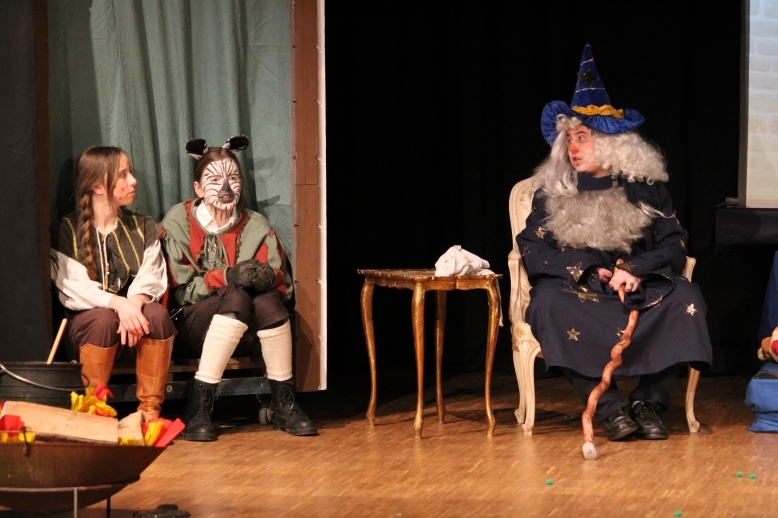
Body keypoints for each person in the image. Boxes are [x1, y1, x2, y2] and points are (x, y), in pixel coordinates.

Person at [517, 45, 712, 441]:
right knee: (546, 302)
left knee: (686, 297)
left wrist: (635, 270)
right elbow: (532, 249)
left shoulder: (646, 191)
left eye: (583, 138)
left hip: (639, 289)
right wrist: (587, 268)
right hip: (579, 290)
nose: (573, 147)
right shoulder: (551, 194)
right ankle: (609, 409)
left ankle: (647, 403)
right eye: (569, 139)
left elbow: (674, 245)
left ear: (611, 143)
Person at [161, 135, 317, 441]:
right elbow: (180, 292)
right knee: (235, 294)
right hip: (193, 329)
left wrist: (267, 278)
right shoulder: (178, 222)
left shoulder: (256, 225)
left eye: (233, 178)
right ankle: (199, 405)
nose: (226, 187)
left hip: (244, 333)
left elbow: (280, 281)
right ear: (197, 188)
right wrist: (226, 276)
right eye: (214, 180)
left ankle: (284, 403)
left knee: (268, 301)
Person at [50, 146, 176, 421]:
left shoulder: (143, 226)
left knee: (156, 315)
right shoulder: (66, 230)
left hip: (134, 332)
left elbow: (152, 275)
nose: (133, 181)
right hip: (90, 334)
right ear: (97, 186)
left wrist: (134, 304)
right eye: (123, 175)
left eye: (130, 173)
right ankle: (93, 415)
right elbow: (73, 287)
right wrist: (118, 304)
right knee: (102, 320)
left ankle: (149, 413)